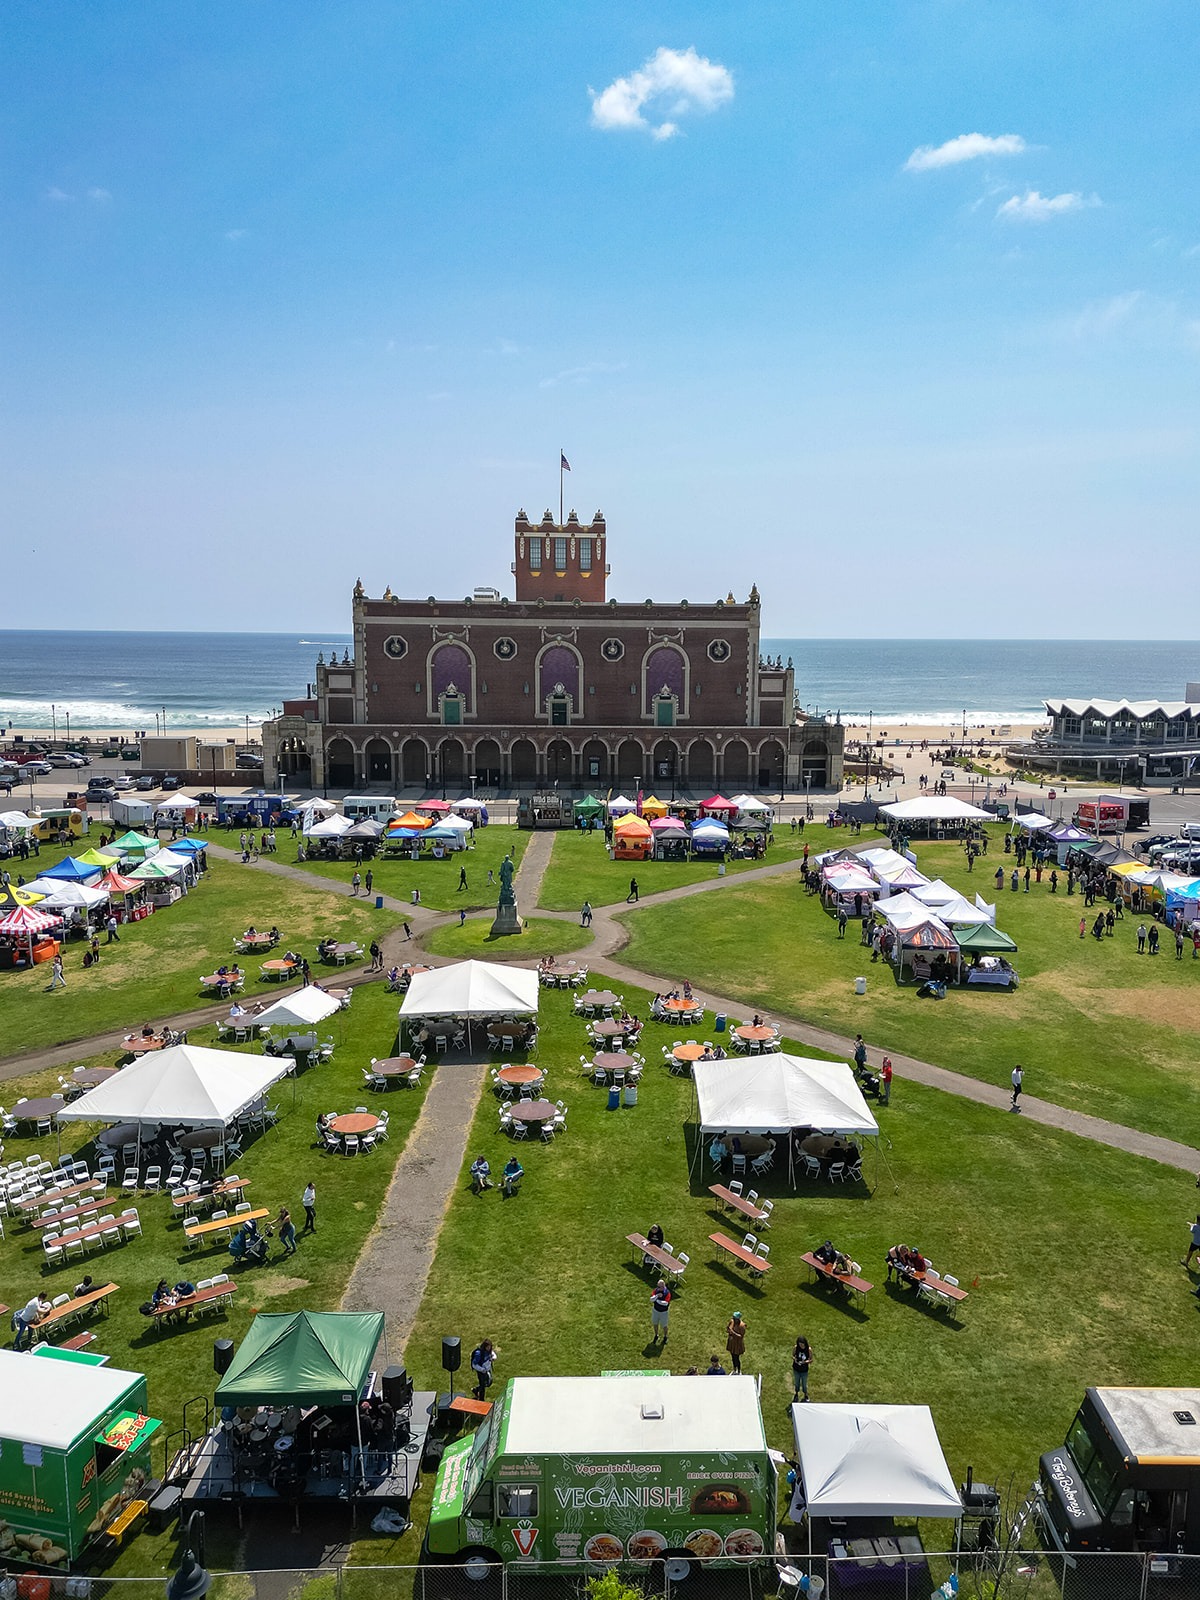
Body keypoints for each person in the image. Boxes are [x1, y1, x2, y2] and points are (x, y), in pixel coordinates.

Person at [792, 1335, 813, 1402]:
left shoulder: (808, 1349)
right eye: (800, 1344)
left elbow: (811, 1360)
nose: (801, 1346)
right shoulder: (796, 1348)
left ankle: (805, 1395)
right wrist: (795, 1359)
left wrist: (806, 1362)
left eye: (802, 1344)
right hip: (796, 1369)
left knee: (804, 1383)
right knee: (797, 1383)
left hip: (804, 1370)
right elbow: (793, 1355)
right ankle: (796, 1394)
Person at [650, 1279, 672, 1344]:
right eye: (658, 1286)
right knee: (655, 1323)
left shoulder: (667, 1293)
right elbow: (651, 1299)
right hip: (655, 1311)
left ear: (663, 1286)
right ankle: (656, 1335)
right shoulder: (656, 1291)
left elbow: (665, 1303)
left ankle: (665, 1336)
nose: (658, 1288)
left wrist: (656, 1300)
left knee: (664, 1325)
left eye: (659, 1287)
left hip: (663, 1313)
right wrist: (657, 1296)